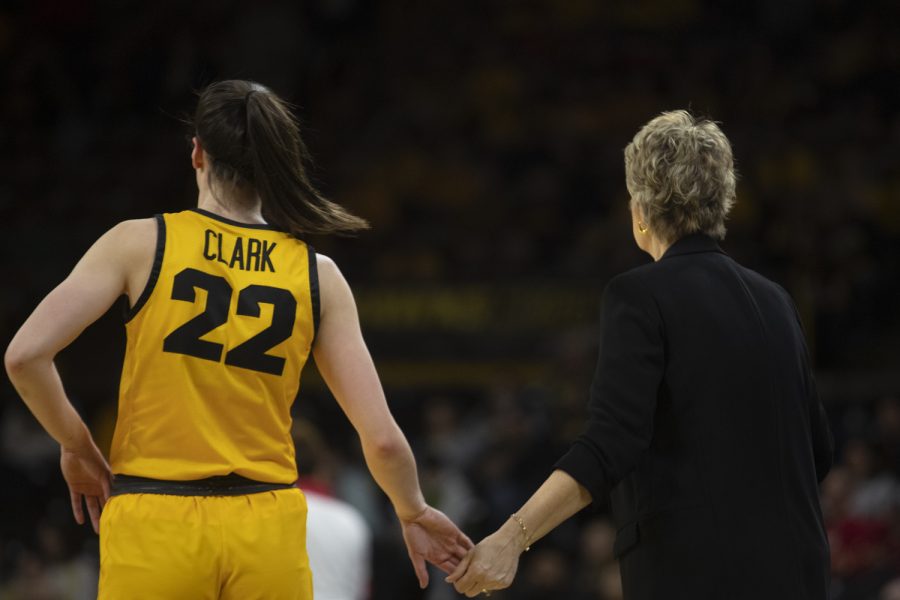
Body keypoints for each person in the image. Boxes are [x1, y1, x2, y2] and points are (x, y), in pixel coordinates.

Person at [5, 79, 471, 599]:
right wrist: (412, 509)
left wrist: (76, 445)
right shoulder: (319, 276)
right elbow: (381, 438)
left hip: (157, 518)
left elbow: (26, 357)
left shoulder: (140, 242)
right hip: (267, 526)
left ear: (197, 152)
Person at [448, 110, 834, 599]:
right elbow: (818, 450)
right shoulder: (777, 300)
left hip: (695, 573)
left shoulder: (638, 294)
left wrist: (511, 537)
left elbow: (611, 441)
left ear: (640, 210)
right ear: (724, 200)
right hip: (802, 572)